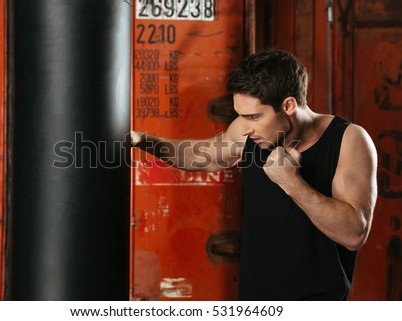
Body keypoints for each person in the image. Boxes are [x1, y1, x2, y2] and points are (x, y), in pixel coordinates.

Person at [131, 49, 377, 300]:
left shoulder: (348, 140)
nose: (245, 127)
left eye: (254, 116)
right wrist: (142, 141)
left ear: (288, 105)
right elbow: (203, 156)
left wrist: (292, 183)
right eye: (241, 115)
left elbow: (354, 234)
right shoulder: (249, 131)